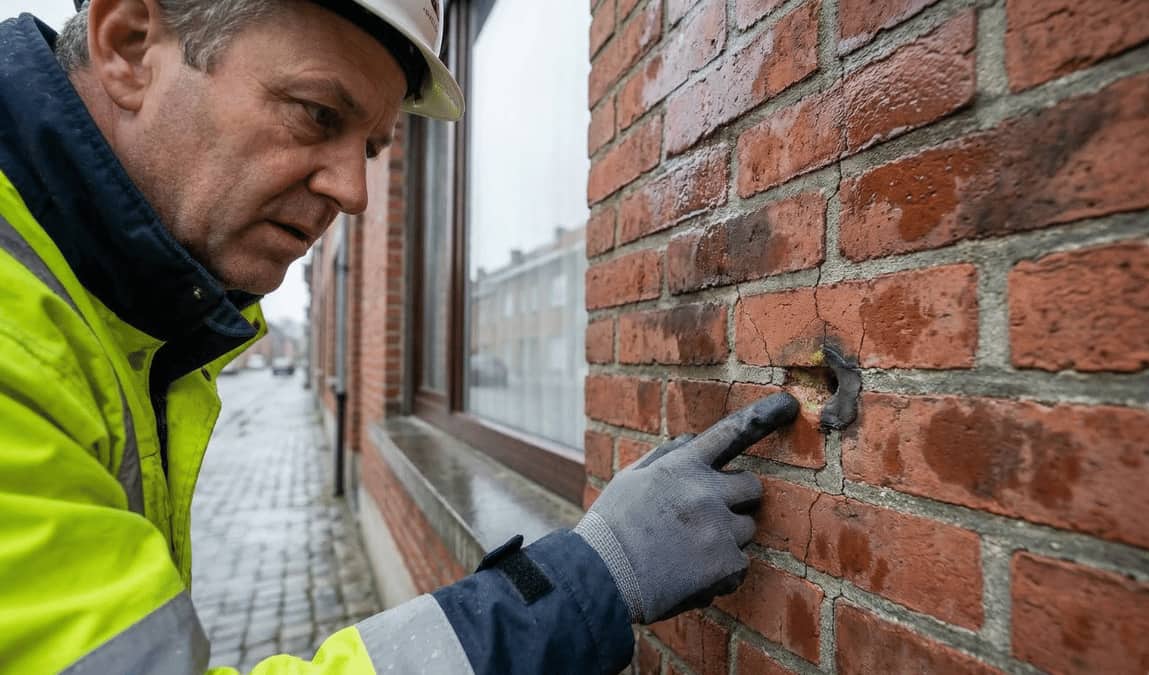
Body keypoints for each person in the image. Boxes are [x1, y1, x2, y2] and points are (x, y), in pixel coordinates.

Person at [0, 1, 799, 673]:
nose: (353, 191)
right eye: (317, 113)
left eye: (373, 150)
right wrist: (590, 574)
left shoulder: (115, 307)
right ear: (129, 46)